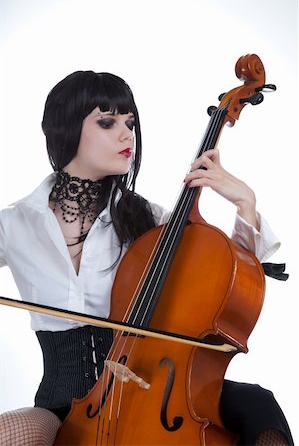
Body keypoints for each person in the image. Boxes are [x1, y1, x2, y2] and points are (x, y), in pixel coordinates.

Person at [0, 71, 293, 445]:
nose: (127, 136)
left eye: (130, 123)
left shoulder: (149, 222)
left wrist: (245, 203)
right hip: (63, 404)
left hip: (153, 391)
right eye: (108, 122)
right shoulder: (14, 224)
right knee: (9, 434)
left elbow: (227, 275)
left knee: (257, 404)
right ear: (66, 128)